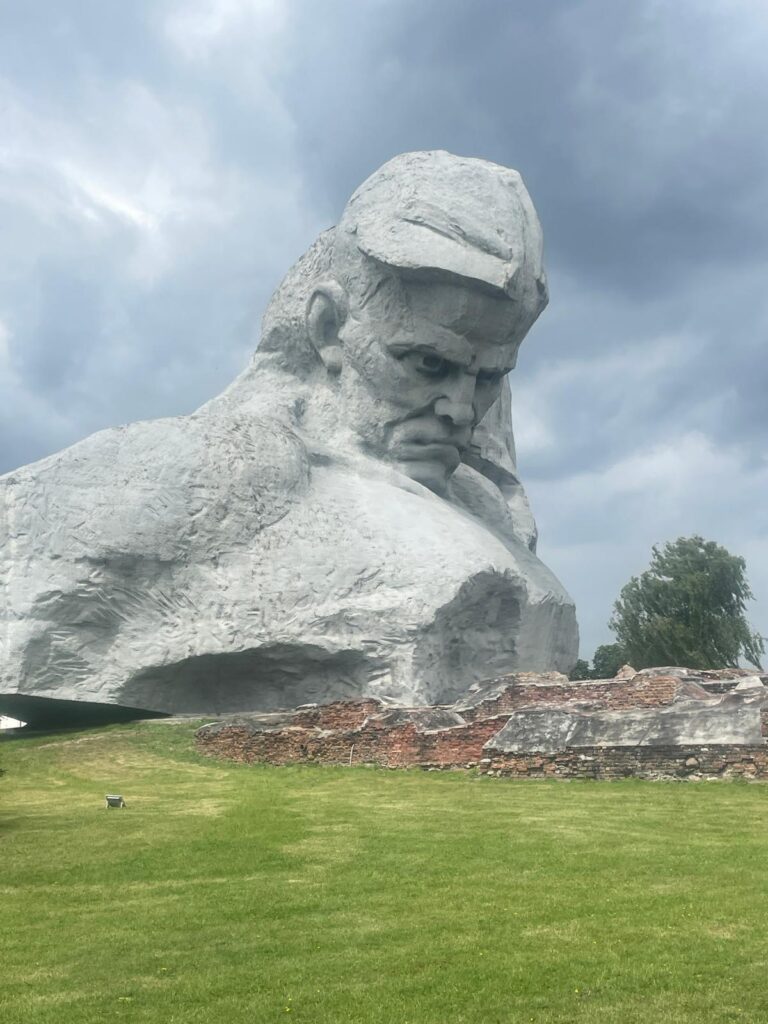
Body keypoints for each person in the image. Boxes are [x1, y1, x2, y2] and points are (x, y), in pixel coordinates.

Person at [0, 151, 577, 727]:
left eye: (490, 377)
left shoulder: (483, 503)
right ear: (328, 328)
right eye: (427, 363)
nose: (461, 410)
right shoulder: (225, 466)